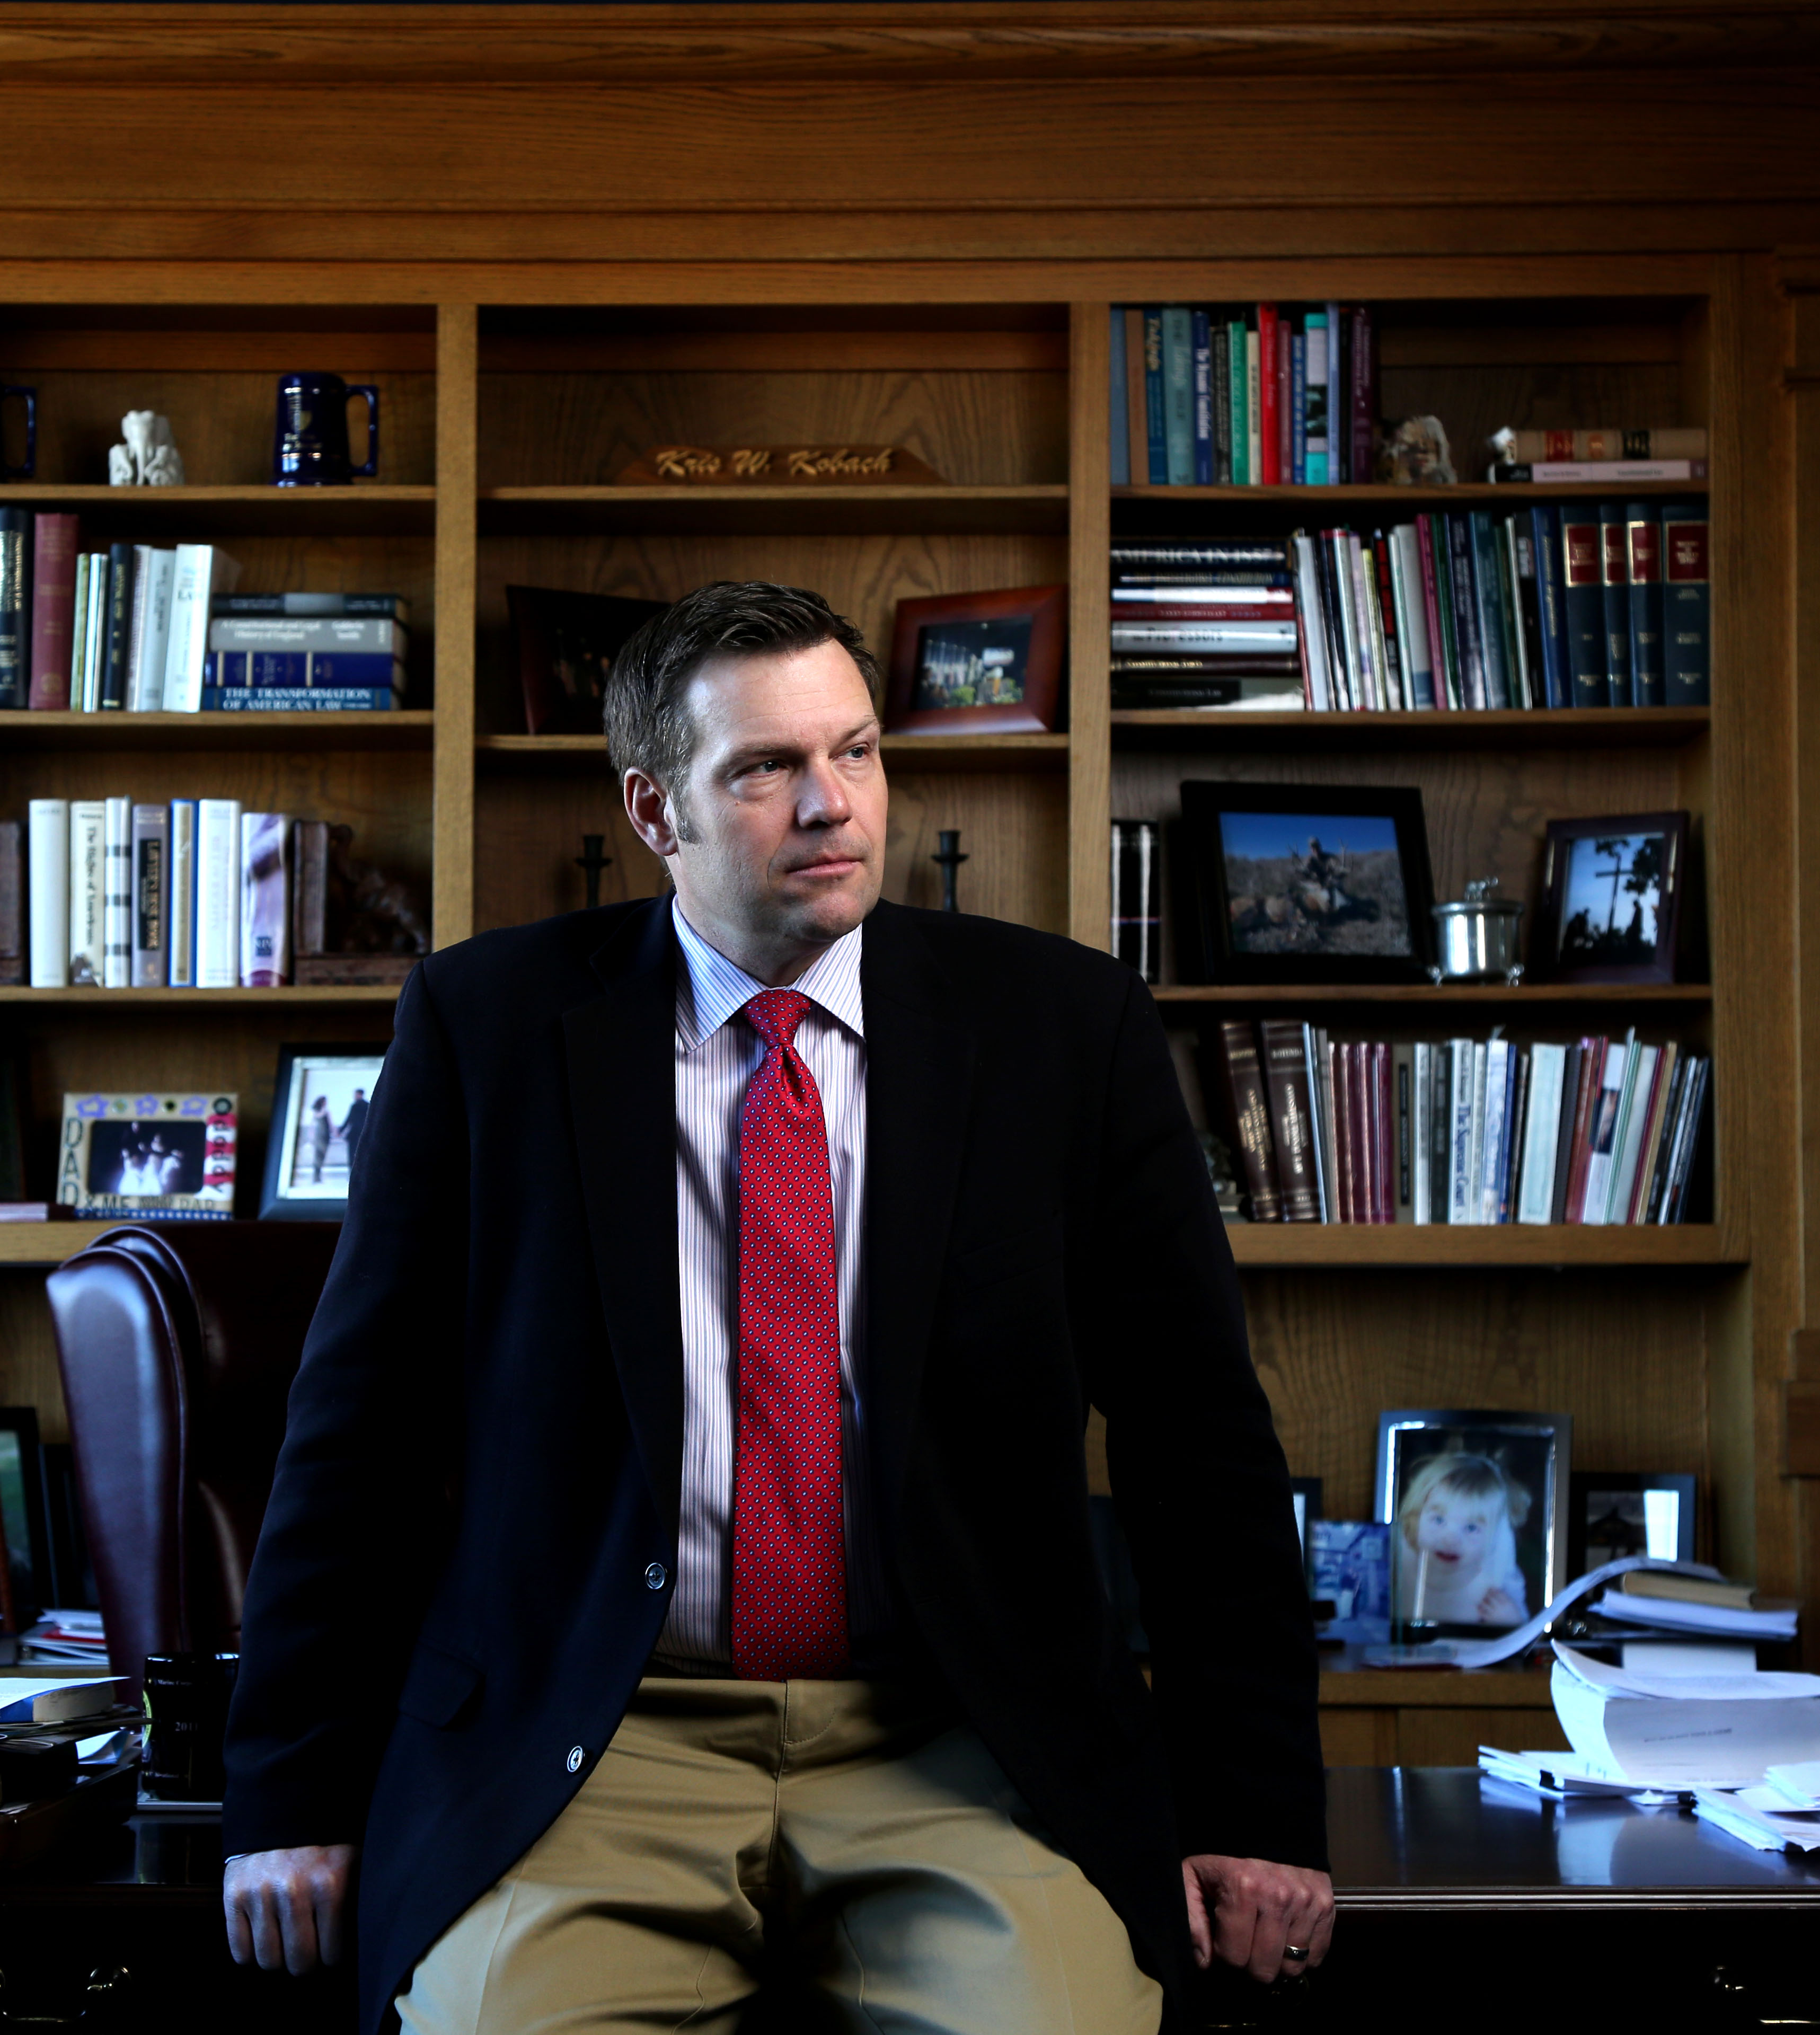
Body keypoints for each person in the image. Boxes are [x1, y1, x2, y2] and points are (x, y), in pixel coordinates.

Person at [217, 581, 1330, 2035]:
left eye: (855, 753)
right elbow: (354, 1442)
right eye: (766, 770)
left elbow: (1202, 1449)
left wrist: (1256, 1805)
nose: (831, 805)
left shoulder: (1066, 1030)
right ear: (652, 809)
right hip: (596, 1736)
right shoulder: (486, 1031)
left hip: (959, 1737)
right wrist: (288, 1795)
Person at [1393, 1452, 1530, 1627]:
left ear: (1495, 1537)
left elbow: (1527, 1642)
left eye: (1471, 1528)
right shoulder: (1398, 1559)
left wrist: (1511, 1621)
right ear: (1417, 1515)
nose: (1450, 1540)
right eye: (1439, 1520)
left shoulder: (1496, 1580)